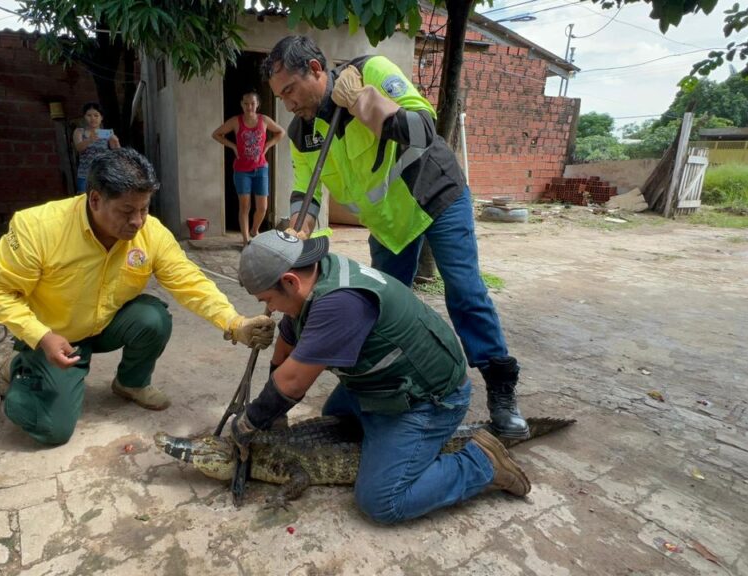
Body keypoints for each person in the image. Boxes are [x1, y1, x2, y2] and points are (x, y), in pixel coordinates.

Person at [260, 35, 529, 438]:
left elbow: (423, 129)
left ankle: (501, 391)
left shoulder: (370, 72)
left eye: (290, 91)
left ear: (315, 70)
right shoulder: (304, 132)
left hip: (435, 195)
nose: (287, 103)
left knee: (465, 292)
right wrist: (297, 229)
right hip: (388, 221)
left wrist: (363, 103)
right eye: (280, 96)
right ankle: (382, 385)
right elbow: (307, 191)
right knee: (378, 304)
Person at [0, 148, 275, 446]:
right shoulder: (38, 228)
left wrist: (235, 323)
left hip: (104, 323)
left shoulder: (151, 233)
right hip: (55, 337)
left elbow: (190, 282)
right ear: (95, 199)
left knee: (153, 318)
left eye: (144, 209)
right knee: (53, 429)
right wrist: (40, 336)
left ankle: (130, 383)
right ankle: (19, 369)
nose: (138, 221)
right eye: (127, 211)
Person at [230, 231, 530, 524]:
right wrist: (274, 415)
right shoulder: (319, 273)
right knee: (333, 418)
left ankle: (482, 463)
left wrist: (249, 422)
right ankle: (389, 451)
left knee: (382, 501)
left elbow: (293, 382)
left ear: (290, 281)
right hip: (382, 384)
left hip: (427, 399)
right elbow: (287, 341)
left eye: (268, 299)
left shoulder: (339, 303)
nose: (269, 309)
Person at [211, 90, 286, 245]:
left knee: (263, 208)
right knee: (245, 206)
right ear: (241, 104)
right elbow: (216, 134)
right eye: (246, 103)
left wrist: (267, 146)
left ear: (257, 104)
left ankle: (254, 229)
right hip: (242, 170)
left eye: (252, 103)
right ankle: (246, 239)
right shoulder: (235, 121)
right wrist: (233, 147)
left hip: (261, 169)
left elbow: (281, 132)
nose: (249, 106)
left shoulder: (264, 120)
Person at [72, 102, 120, 193]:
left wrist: (116, 141)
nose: (92, 118)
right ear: (84, 117)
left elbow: (118, 154)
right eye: (89, 115)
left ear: (101, 118)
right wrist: (90, 139)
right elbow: (79, 148)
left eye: (96, 115)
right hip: (85, 174)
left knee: (103, 200)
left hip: (104, 174)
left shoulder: (107, 133)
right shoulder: (79, 131)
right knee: (84, 200)